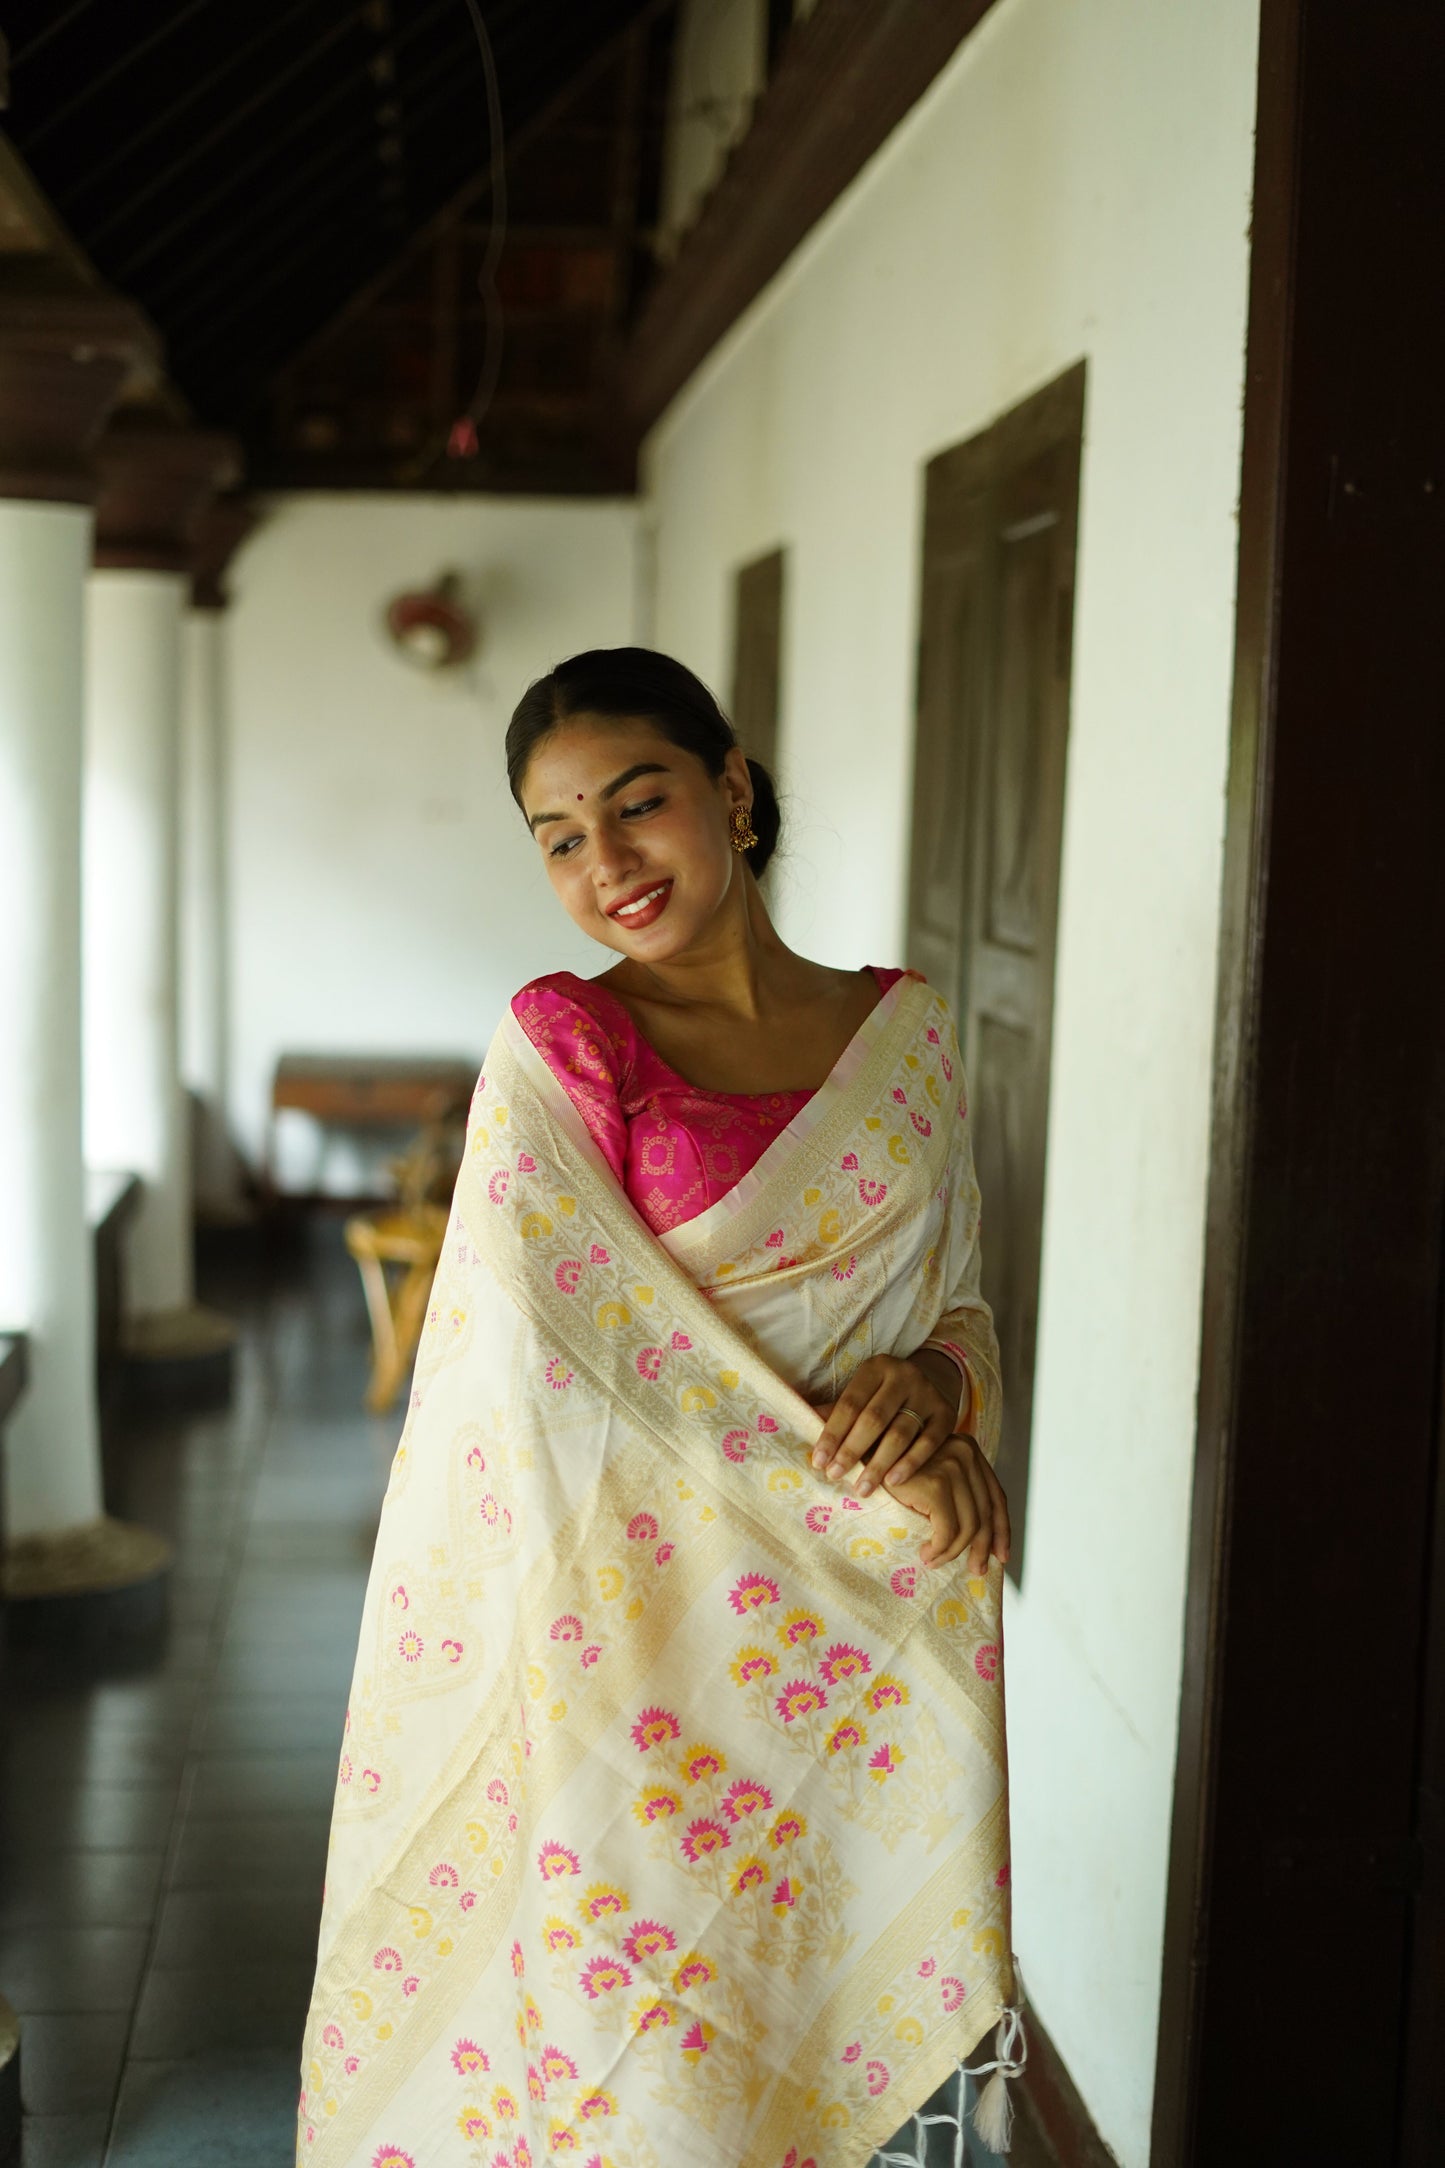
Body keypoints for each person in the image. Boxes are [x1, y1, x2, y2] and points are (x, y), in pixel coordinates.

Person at [297, 650, 1025, 2168]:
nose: (606, 861)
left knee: (845, 2028)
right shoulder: (566, 1046)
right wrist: (865, 1465)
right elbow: (544, 1379)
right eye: (559, 836)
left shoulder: (911, 1035)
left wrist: (940, 1394)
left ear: (732, 792)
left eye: (638, 804)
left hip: (863, 1654)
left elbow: (956, 1294)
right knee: (658, 2066)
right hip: (641, 1653)